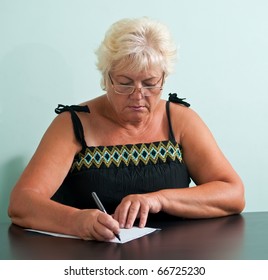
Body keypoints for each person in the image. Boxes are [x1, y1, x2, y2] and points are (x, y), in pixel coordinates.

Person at [8, 17, 245, 241]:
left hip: (173, 257)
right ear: (106, 78)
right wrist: (76, 221)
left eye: (150, 84)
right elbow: (21, 203)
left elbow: (233, 194)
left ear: (163, 79)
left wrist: (159, 199)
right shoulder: (73, 124)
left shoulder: (180, 120)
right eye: (124, 83)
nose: (138, 95)